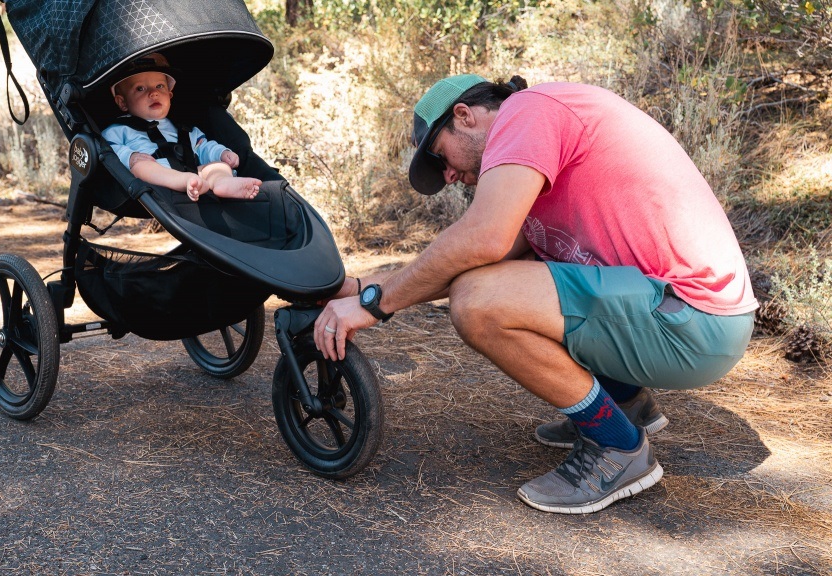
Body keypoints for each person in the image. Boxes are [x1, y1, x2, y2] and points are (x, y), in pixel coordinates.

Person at [315, 74, 757, 514]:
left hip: (694, 318)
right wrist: (364, 288)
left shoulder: (527, 111)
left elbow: (482, 241)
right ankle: (625, 403)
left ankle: (618, 448)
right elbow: (475, 258)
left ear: (464, 116)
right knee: (497, 279)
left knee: (478, 302)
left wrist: (377, 306)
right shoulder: (537, 152)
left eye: (440, 156)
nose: (448, 176)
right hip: (684, 315)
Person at [103, 53, 261, 202]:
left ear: (170, 97)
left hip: (193, 173)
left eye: (159, 86)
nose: (153, 93)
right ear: (122, 102)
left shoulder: (185, 128)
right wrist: (130, 157)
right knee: (140, 167)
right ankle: (183, 181)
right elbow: (107, 151)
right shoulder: (118, 129)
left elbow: (203, 147)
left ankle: (221, 182)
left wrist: (221, 153)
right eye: (140, 89)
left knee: (218, 166)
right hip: (155, 176)